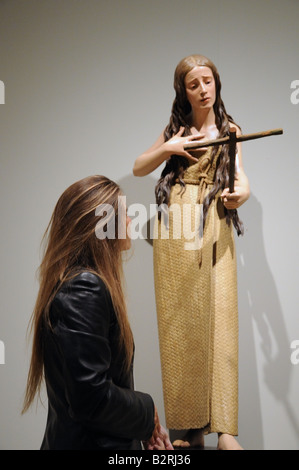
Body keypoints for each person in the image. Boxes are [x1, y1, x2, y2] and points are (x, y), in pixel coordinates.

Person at [133, 54, 250, 450]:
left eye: (207, 81)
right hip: (177, 227)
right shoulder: (176, 130)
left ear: (217, 83)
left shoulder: (228, 129)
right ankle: (190, 428)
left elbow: (240, 176)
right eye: (193, 84)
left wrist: (243, 193)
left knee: (221, 319)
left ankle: (225, 428)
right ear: (182, 91)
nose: (203, 89)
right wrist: (170, 146)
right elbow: (138, 166)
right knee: (181, 323)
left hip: (214, 222)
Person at [22, 175, 172, 451]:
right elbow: (92, 398)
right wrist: (146, 411)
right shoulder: (84, 287)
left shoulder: (78, 285)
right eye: (125, 214)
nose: (130, 221)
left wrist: (140, 425)